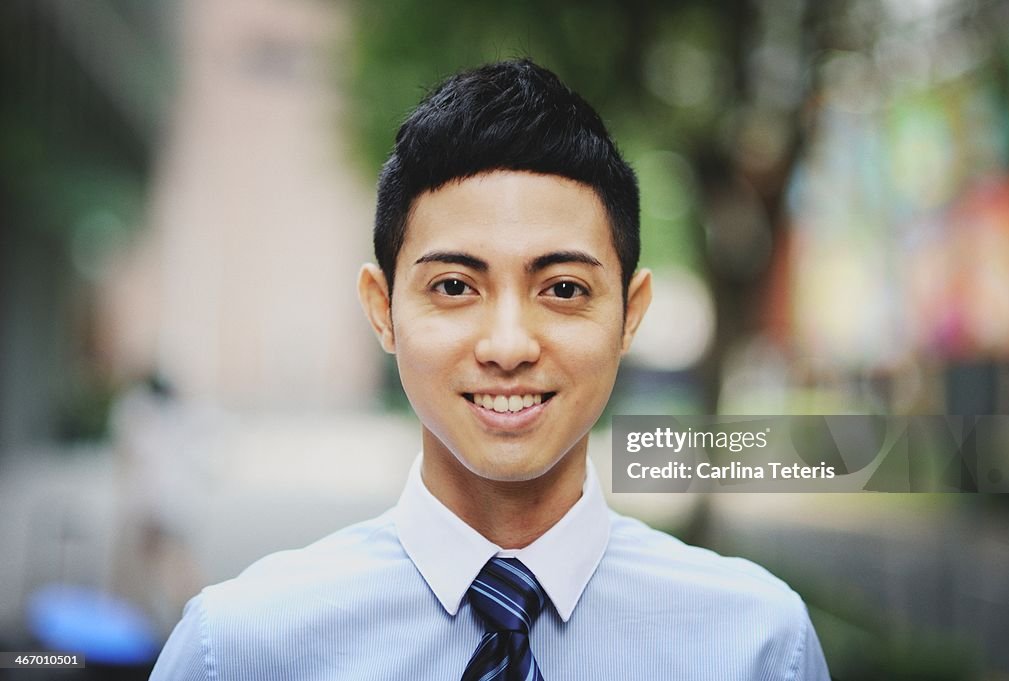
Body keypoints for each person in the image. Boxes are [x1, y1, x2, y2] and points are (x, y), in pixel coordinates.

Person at [150, 59, 830, 680]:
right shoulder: (240, 648)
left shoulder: (756, 644)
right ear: (382, 309)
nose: (508, 346)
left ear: (631, 313)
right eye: (453, 286)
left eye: (563, 288)